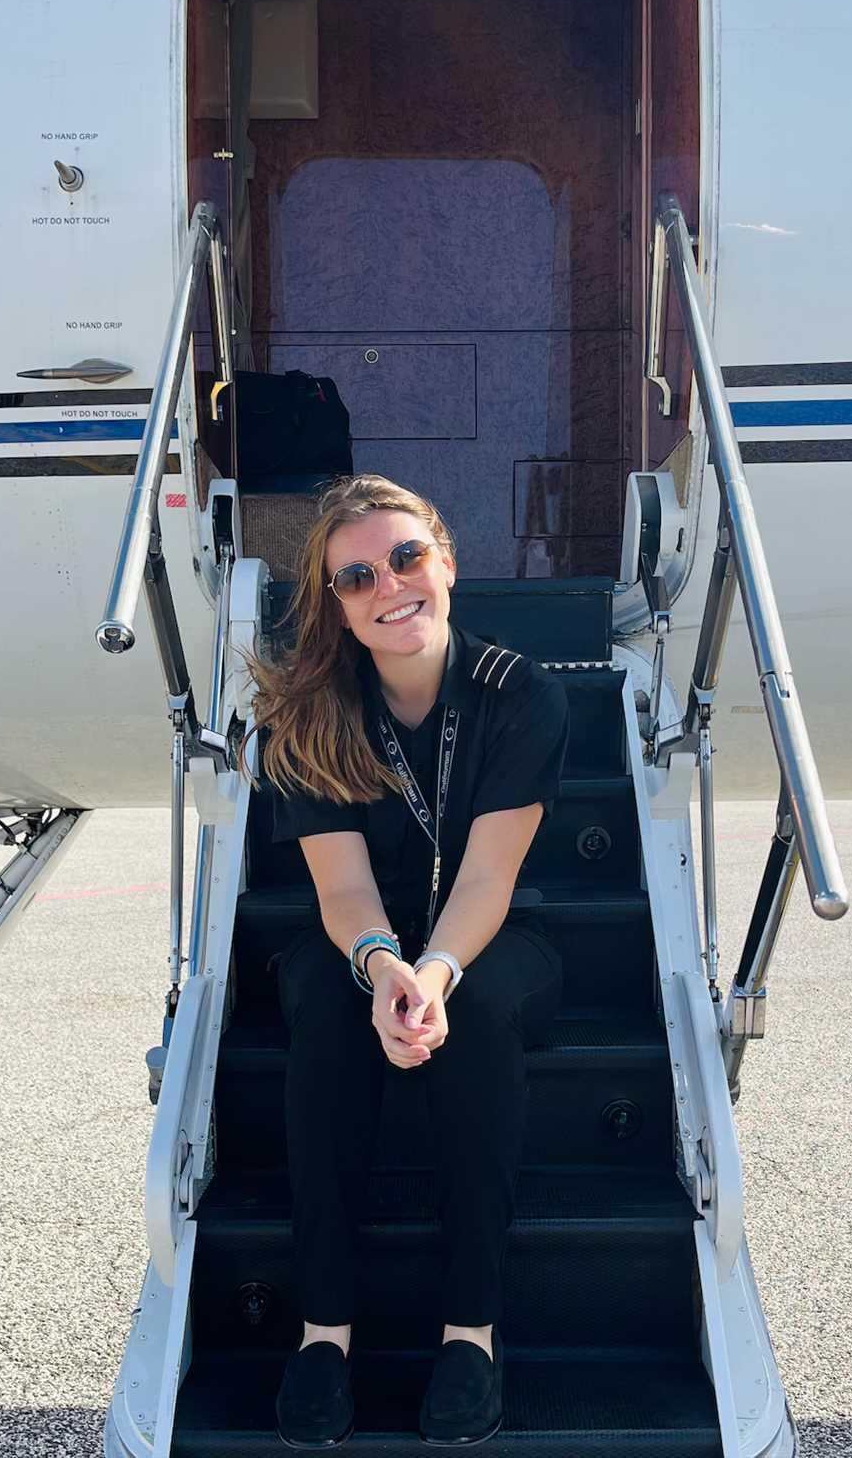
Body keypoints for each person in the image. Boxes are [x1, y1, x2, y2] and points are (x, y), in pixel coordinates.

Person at [247, 474, 569, 1449]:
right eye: (354, 576)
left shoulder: (522, 698)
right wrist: (385, 968)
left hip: (491, 938)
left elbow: (486, 882)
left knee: (474, 1013)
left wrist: (429, 979)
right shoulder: (310, 716)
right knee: (319, 995)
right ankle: (322, 1332)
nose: (387, 584)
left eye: (403, 557)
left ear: (445, 560)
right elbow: (340, 894)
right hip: (366, 940)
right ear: (338, 609)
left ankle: (469, 1330)